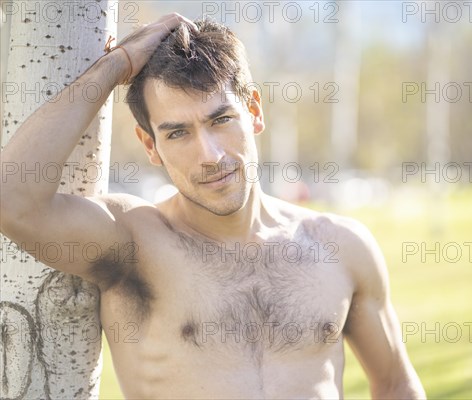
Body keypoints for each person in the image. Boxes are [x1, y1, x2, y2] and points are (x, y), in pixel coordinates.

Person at [0, 13, 426, 399]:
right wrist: (118, 64)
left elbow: (395, 384)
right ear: (150, 145)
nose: (210, 155)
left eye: (220, 120)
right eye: (177, 133)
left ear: (254, 111)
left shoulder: (342, 247)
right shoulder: (134, 244)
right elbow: (11, 199)